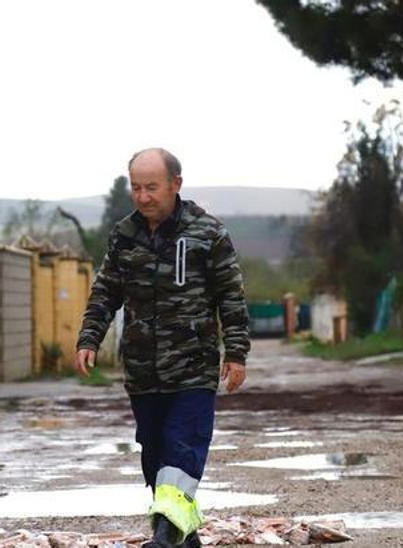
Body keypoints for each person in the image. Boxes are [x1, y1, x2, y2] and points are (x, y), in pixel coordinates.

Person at [74, 147, 250, 547]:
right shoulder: (125, 235)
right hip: (141, 368)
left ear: (176, 184)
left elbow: (231, 297)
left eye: (151, 187)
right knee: (154, 451)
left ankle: (165, 534)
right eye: (136, 188)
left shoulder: (208, 233)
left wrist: (236, 353)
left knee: (182, 444)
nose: (143, 197)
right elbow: (106, 291)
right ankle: (180, 536)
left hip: (193, 366)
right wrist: (90, 337)